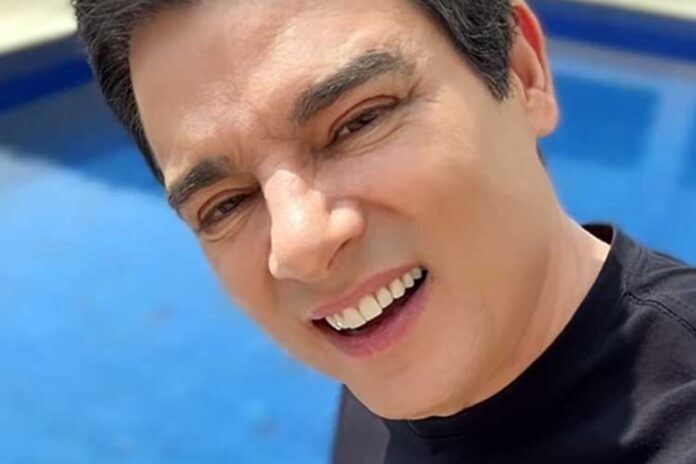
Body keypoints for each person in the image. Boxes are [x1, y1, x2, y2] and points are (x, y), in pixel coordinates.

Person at [71, 0, 696, 462]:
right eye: (226, 204)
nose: (300, 245)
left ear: (521, 71)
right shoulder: (382, 349)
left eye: (359, 122)